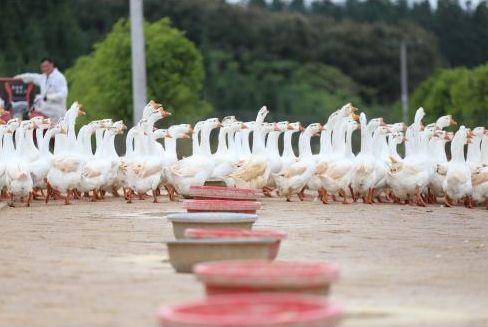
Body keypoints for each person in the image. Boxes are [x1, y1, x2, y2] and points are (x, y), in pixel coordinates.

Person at [15, 57, 68, 122]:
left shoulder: (59, 77)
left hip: (56, 111)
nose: (45, 69)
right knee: (28, 116)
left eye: (47, 66)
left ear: (52, 65)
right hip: (45, 110)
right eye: (43, 67)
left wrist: (48, 97)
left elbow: (63, 93)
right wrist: (18, 78)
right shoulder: (43, 77)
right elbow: (32, 77)